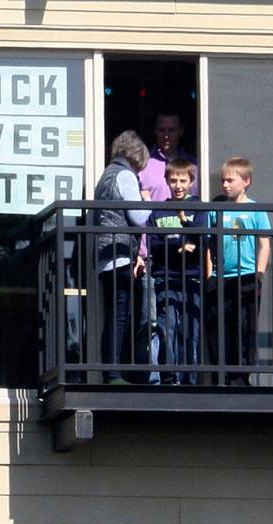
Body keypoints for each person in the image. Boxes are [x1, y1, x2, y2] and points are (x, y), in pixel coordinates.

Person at [138, 113, 199, 381]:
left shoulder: (194, 166)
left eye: (171, 130)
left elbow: (201, 227)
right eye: (161, 129)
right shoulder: (146, 166)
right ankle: (163, 376)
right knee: (160, 325)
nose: (166, 135)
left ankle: (190, 377)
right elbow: (145, 220)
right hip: (159, 265)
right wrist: (142, 254)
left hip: (189, 271)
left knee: (188, 327)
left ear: (181, 131)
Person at [94, 131, 151, 383]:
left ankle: (112, 372)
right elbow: (138, 216)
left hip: (105, 255)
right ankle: (113, 374)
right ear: (136, 157)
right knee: (120, 317)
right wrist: (148, 200)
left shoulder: (105, 176)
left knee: (113, 315)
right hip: (120, 255)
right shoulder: (126, 175)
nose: (139, 171)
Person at [147, 158, 210, 384]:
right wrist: (179, 245)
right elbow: (153, 244)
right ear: (166, 182)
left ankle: (189, 379)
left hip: (192, 278)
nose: (178, 185)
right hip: (165, 278)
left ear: (191, 182)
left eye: (183, 180)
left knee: (189, 332)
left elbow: (203, 238)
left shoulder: (199, 208)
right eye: (173, 180)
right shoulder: (158, 211)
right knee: (167, 328)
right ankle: (169, 377)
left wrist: (185, 223)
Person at [209, 157, 270, 385]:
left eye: (230, 180)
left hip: (246, 276)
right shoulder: (217, 210)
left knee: (244, 326)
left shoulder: (256, 211)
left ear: (246, 181)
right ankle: (221, 376)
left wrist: (259, 273)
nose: (225, 185)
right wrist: (209, 275)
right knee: (219, 326)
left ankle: (241, 377)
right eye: (223, 181)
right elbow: (209, 245)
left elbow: (265, 244)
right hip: (220, 277)